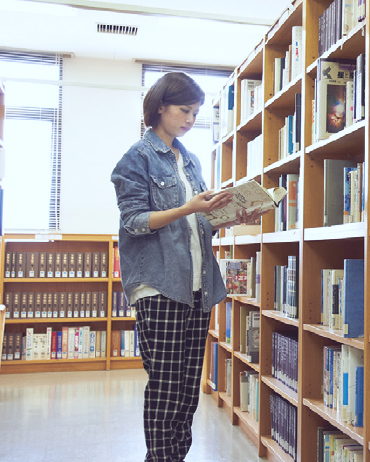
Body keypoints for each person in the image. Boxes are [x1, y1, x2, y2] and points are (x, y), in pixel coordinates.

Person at [110, 72, 255, 462]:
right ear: (160, 107)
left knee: (189, 387)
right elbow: (135, 221)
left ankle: (175, 457)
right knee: (165, 386)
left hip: (198, 286)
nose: (191, 119)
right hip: (160, 284)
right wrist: (190, 207)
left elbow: (197, 222)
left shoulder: (188, 159)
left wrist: (229, 215)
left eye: (195, 112)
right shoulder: (136, 158)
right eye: (184, 110)